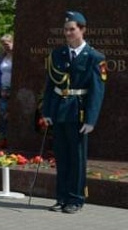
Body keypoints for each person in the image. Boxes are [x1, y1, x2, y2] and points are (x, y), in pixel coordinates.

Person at [42, 11, 106, 214]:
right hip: (59, 111)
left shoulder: (94, 57)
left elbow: (97, 91)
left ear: (82, 30)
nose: (68, 33)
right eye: (66, 30)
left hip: (78, 112)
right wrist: (47, 111)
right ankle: (61, 197)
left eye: (72, 29)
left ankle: (75, 199)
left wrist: (91, 119)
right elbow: (50, 85)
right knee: (61, 157)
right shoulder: (58, 54)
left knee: (77, 158)